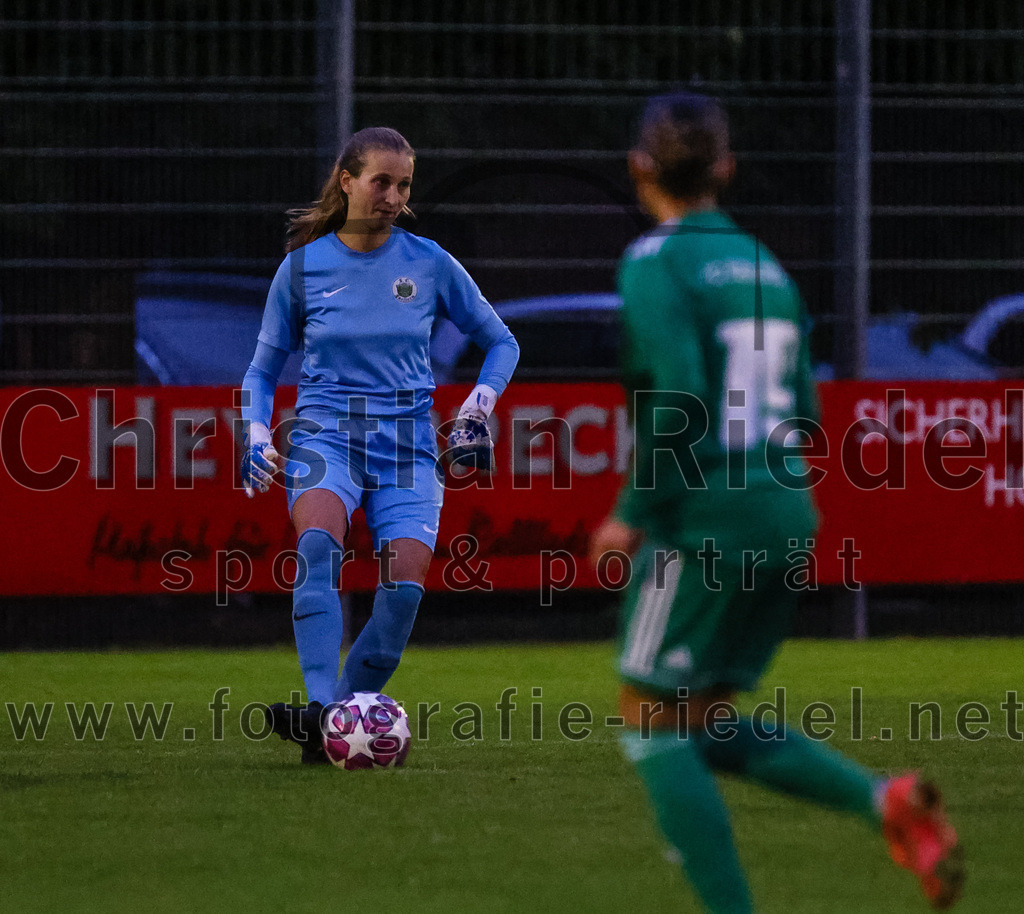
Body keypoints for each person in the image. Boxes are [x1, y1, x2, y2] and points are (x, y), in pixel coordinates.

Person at [589, 93, 964, 912]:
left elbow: (681, 392)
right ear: (726, 168)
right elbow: (806, 408)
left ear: (638, 167)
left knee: (648, 722)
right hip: (786, 507)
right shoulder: (764, 264)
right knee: (704, 721)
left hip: (707, 516)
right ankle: (887, 803)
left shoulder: (655, 261)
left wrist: (633, 511)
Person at [240, 126, 519, 764]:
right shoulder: (302, 268)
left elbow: (502, 342)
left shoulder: (429, 262)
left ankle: (330, 723)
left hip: (408, 446)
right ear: (347, 182)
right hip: (326, 434)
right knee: (318, 547)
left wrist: (477, 407)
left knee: (403, 595)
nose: (394, 197)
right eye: (381, 182)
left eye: (404, 186)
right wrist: (256, 432)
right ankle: (321, 707)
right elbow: (261, 372)